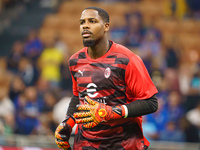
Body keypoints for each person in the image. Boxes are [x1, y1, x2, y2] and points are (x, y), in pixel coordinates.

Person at [55, 6, 158, 150]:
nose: (85, 26)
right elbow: (78, 96)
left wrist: (111, 112)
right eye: (82, 22)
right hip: (85, 144)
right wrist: (68, 123)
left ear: (106, 27)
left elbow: (151, 103)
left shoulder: (127, 59)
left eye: (92, 21)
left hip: (123, 144)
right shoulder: (75, 61)